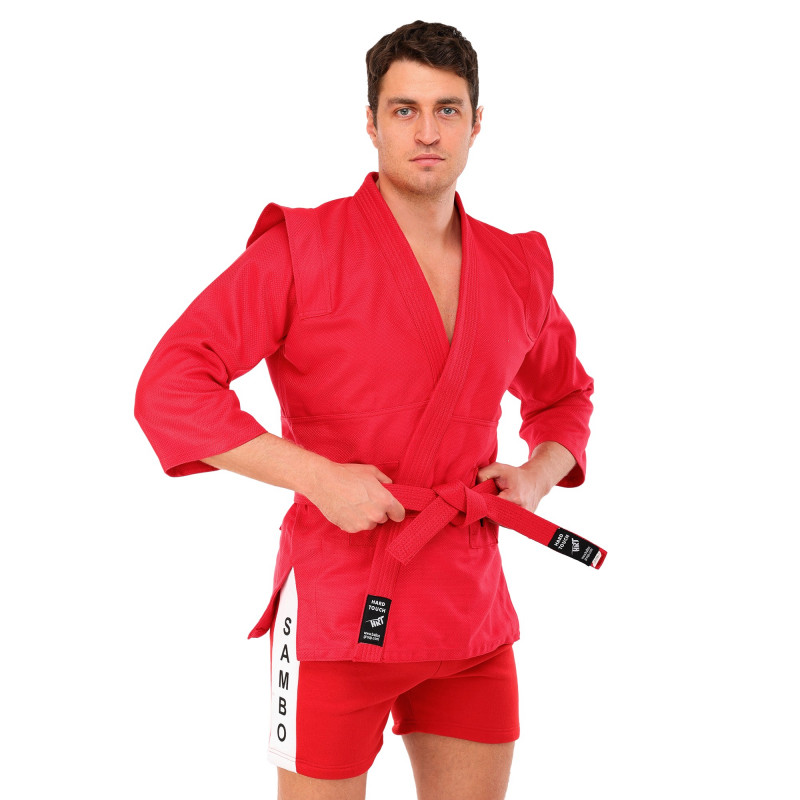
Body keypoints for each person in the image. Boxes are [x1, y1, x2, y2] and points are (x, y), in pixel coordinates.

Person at [134, 19, 594, 800]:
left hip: (470, 608)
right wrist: (318, 478)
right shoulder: (300, 249)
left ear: (477, 123)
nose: (427, 132)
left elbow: (564, 395)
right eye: (405, 110)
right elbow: (171, 387)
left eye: (447, 110)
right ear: (372, 123)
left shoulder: (518, 264)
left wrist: (536, 475)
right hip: (336, 607)